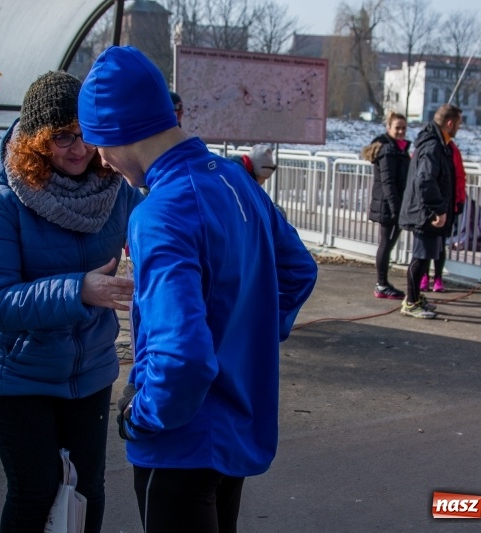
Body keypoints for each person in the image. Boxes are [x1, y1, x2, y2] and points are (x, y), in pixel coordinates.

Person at [79, 46, 318, 533]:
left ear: (116, 131)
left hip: (178, 442)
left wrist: (142, 417)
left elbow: (182, 357)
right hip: (233, 426)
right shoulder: (234, 177)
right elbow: (298, 271)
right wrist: (241, 345)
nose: (102, 161)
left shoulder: (160, 213)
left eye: (97, 144)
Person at [0, 70, 144, 533]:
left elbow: (160, 232)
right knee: (36, 488)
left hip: (88, 370)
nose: (78, 149)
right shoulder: (1, 202)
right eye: (62, 136)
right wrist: (78, 290)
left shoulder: (116, 191)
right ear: (35, 140)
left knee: (89, 490)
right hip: (15, 374)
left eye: (86, 135)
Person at [398, 104, 462, 319]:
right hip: (425, 212)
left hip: (426, 211)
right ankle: (411, 302)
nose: (459, 128)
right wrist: (438, 209)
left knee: (425, 257)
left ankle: (414, 298)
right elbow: (425, 179)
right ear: (450, 123)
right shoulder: (433, 145)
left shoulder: (438, 143)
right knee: (420, 257)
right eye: (458, 124)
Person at [361, 111, 410, 300]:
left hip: (391, 203)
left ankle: (383, 283)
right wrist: (397, 209)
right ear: (389, 128)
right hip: (389, 205)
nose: (401, 132)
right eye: (397, 128)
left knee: (387, 244)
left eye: (404, 128)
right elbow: (388, 182)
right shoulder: (388, 149)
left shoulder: (398, 148)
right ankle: (381, 284)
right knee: (386, 244)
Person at [419, 138, 467, 293]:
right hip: (428, 205)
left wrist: (459, 199)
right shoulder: (426, 147)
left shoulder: (453, 150)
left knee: (440, 243)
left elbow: (459, 176)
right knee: (425, 244)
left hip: (446, 203)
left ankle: (438, 277)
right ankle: (424, 276)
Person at [229, 143, 287, 218]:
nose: (263, 182)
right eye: (263, 178)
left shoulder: (235, 169)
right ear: (258, 173)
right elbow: (250, 207)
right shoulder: (238, 178)